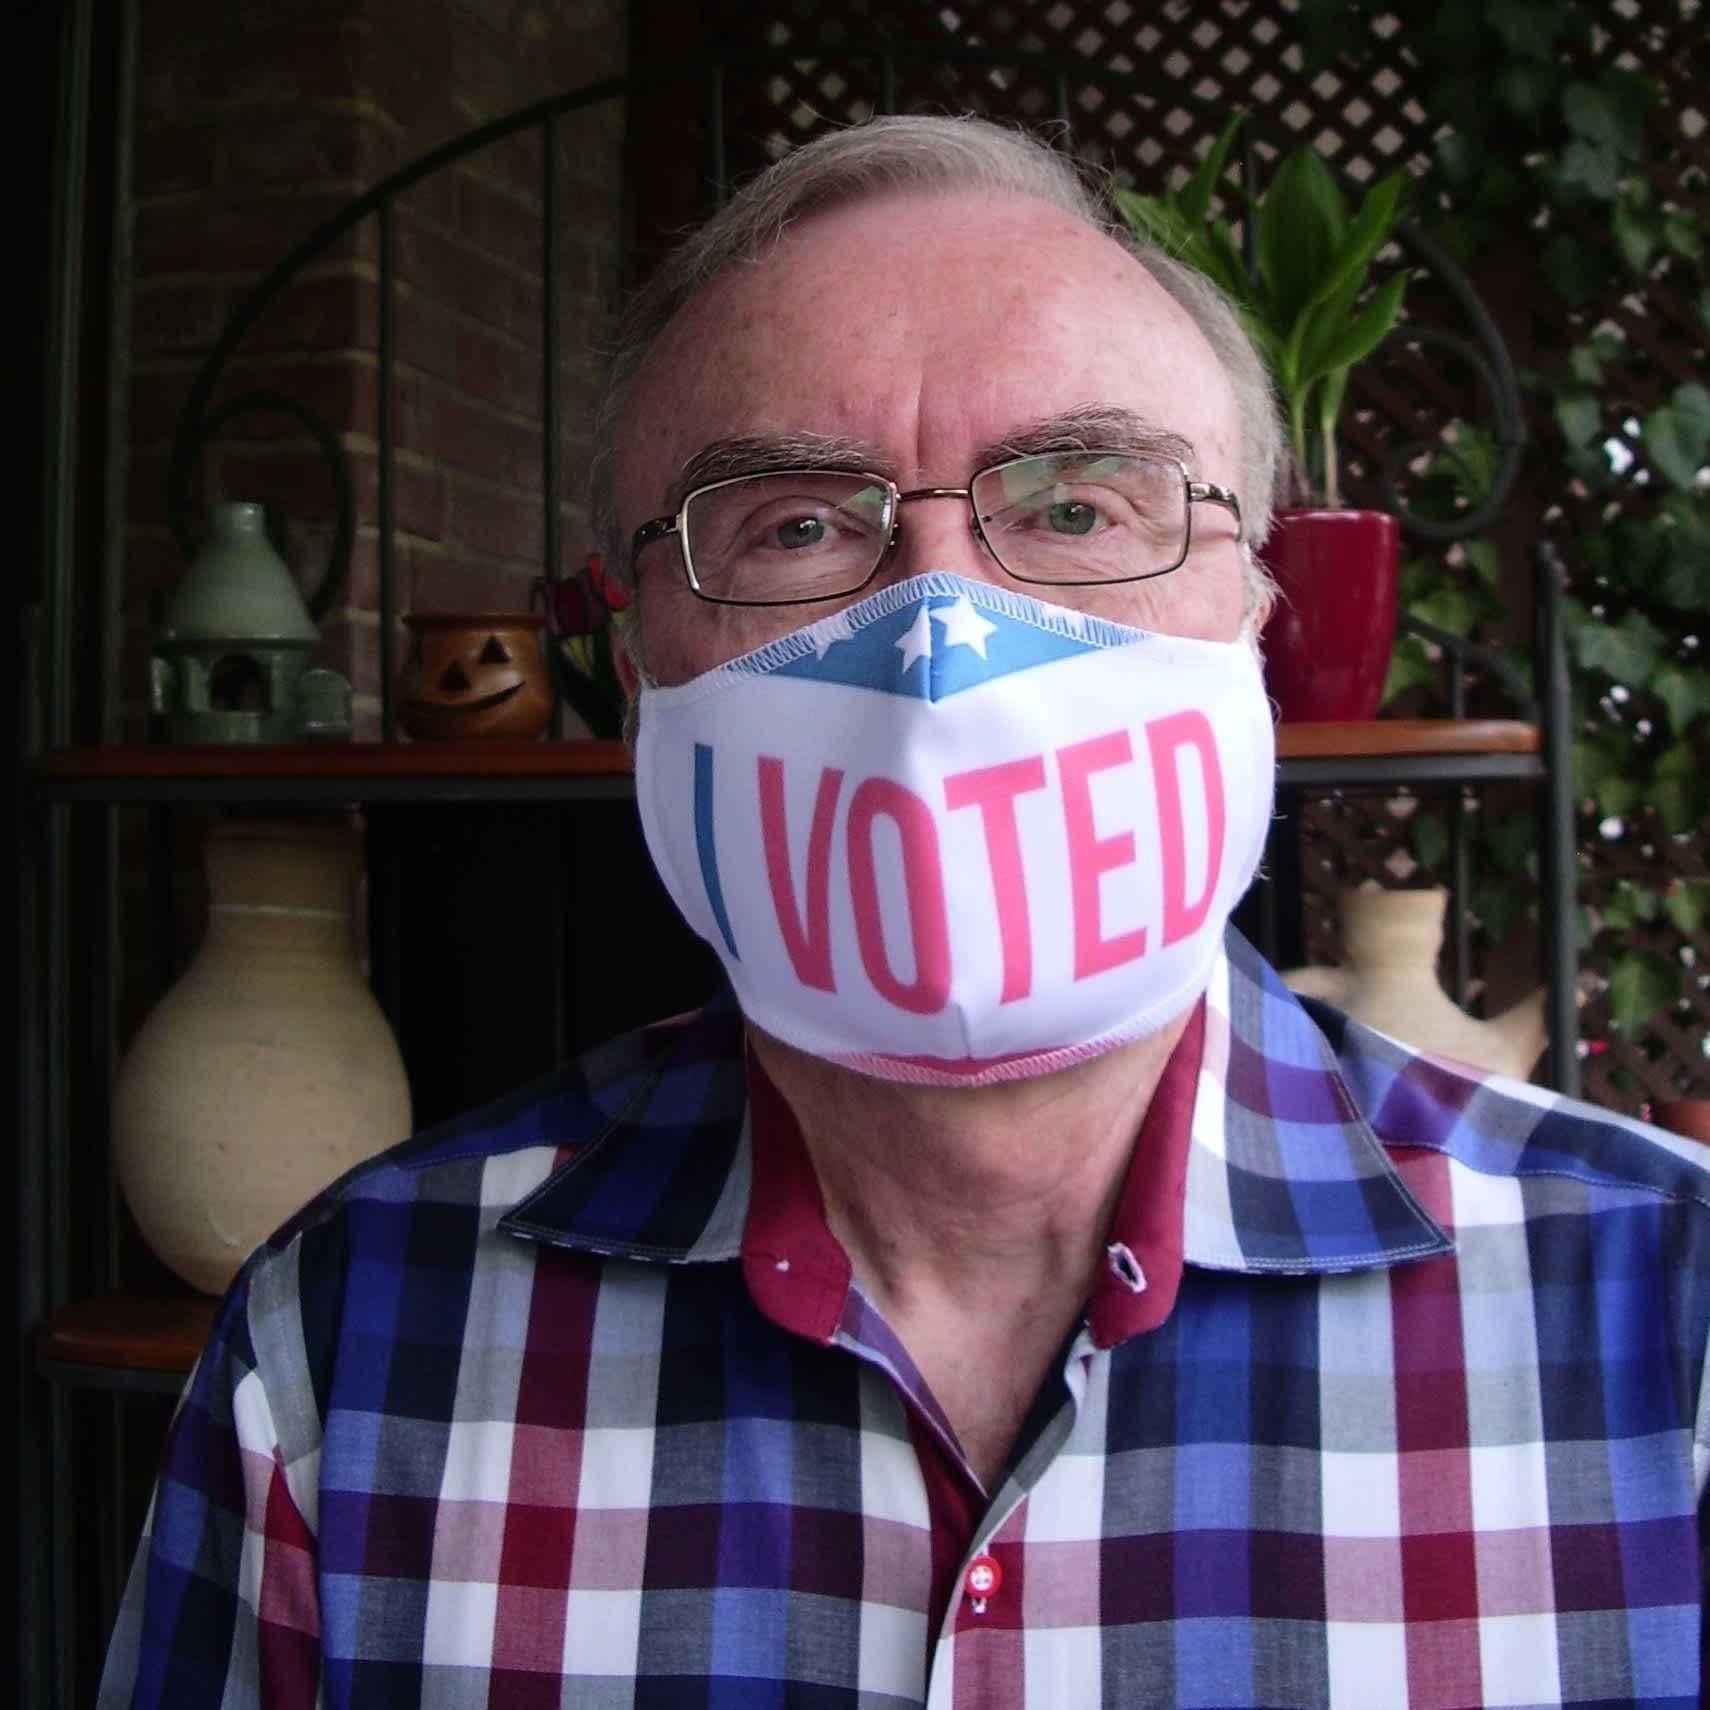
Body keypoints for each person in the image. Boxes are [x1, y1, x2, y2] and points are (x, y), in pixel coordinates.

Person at [102, 113, 1710, 1709]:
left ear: (1256, 604)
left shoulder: (1671, 1322)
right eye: (796, 525)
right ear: (633, 645)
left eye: (1080, 507)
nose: (941, 632)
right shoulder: (352, 1343)